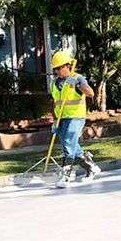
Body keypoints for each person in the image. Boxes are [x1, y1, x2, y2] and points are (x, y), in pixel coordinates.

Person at [49, 50, 100, 188]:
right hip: (61, 118)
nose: (57, 71)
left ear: (68, 65)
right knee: (72, 146)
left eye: (60, 68)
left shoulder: (77, 78)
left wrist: (77, 84)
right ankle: (91, 167)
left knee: (68, 142)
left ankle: (66, 176)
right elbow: (54, 102)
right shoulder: (54, 83)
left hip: (76, 117)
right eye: (55, 69)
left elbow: (90, 93)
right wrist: (54, 120)